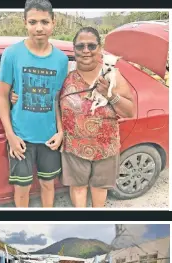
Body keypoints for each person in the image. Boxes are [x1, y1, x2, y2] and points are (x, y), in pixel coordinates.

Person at [0, 0, 68, 208]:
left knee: (48, 185)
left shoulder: (61, 60)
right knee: (22, 190)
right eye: (33, 21)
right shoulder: (12, 54)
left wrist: (61, 132)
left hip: (49, 140)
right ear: (25, 23)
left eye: (45, 22)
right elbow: (2, 96)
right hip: (21, 139)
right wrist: (10, 136)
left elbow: (57, 100)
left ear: (54, 23)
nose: (39, 27)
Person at [59, 27, 135, 207]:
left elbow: (129, 111)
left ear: (100, 49)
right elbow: (52, 100)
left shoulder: (113, 76)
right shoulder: (65, 75)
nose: (86, 51)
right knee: (77, 187)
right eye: (80, 46)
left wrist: (109, 95)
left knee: (99, 189)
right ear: (74, 49)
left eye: (91, 46)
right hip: (74, 147)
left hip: (105, 148)